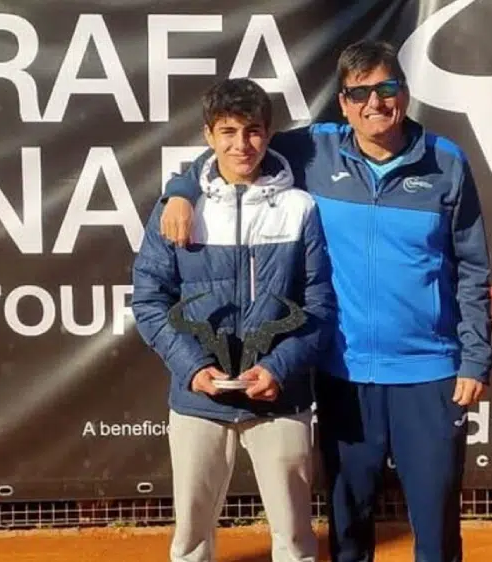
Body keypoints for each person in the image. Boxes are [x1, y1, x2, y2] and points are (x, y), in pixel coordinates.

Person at [158, 40, 492, 562]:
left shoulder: (447, 163)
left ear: (403, 93)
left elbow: (472, 268)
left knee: (436, 531)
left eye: (386, 89)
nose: (374, 104)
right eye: (359, 93)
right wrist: (178, 191)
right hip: (345, 374)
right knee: (349, 531)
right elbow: (235, 147)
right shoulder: (316, 148)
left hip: (429, 375)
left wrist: (474, 357)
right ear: (343, 103)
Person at [131, 77, 335, 562]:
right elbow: (149, 300)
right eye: (228, 132)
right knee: (191, 542)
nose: (242, 145)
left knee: (294, 541)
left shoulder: (300, 208)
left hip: (280, 399)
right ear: (208, 135)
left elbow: (320, 307)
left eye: (253, 131)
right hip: (199, 399)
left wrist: (279, 368)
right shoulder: (177, 209)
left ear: (268, 134)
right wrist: (193, 368)